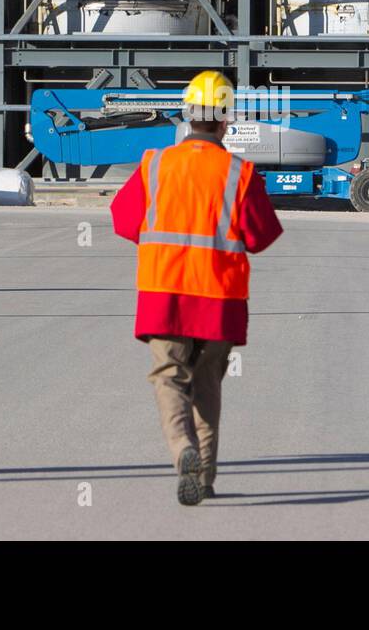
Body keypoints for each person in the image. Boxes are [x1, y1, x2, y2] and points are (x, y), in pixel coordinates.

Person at [110, 70, 283, 506]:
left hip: (163, 293)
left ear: (187, 116)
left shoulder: (155, 164)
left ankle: (181, 450)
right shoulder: (239, 174)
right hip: (219, 301)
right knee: (207, 388)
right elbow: (262, 237)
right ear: (226, 119)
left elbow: (123, 220)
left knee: (169, 377)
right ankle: (204, 477)